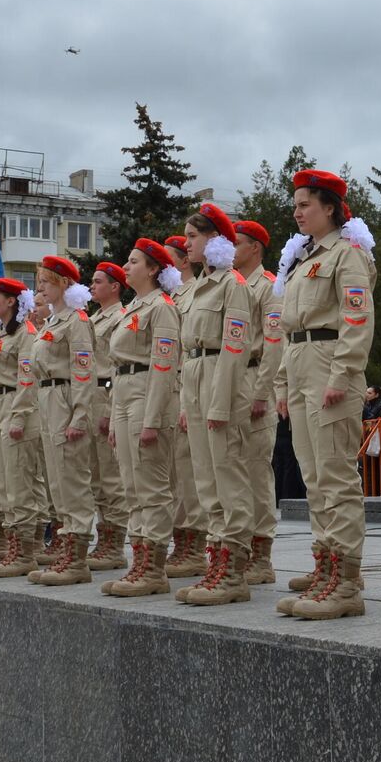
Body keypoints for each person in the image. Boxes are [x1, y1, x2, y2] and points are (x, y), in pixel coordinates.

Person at [273, 170, 377, 619]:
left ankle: (347, 582)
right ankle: (327, 567)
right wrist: (281, 381)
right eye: (295, 205)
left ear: (330, 207)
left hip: (329, 363)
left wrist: (342, 375)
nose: (297, 212)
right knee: (314, 478)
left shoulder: (347, 255)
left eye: (305, 204)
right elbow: (286, 329)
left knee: (335, 476)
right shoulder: (301, 259)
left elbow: (357, 318)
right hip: (299, 364)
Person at [174, 203, 264, 606]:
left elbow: (234, 345)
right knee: (205, 479)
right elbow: (185, 349)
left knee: (229, 476)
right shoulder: (194, 289)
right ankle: (216, 559)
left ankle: (233, 569)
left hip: (220, 380)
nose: (187, 244)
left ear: (215, 239)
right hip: (195, 377)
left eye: (193, 237)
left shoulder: (233, 285)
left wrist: (221, 400)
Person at [100, 238, 184, 597]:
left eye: (133, 262)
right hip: (124, 393)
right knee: (132, 485)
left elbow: (164, 365)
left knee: (152, 486)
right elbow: (118, 366)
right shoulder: (135, 307)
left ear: (153, 269)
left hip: (148, 394)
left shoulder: (161, 308)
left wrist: (151, 419)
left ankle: (154, 568)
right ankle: (139, 561)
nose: (127, 266)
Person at [22, 255, 99, 582]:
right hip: (48, 397)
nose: (39, 287)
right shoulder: (53, 322)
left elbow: (84, 371)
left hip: (66, 398)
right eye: (39, 281)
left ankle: (77, 558)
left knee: (72, 480)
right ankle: (66, 549)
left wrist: (80, 415)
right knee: (57, 480)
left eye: (45, 281)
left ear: (64, 283)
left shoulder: (77, 321)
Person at [0, 279, 51, 576]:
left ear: (11, 302)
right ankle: (17, 545)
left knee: (19, 480)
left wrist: (20, 416)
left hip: (16, 405)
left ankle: (24, 550)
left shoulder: (25, 335)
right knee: (3, 482)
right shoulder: (2, 336)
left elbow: (27, 378)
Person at [233, 219, 283, 584]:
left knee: (255, 470)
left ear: (254, 248)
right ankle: (238, 548)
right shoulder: (233, 286)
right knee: (234, 468)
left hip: (254, 376)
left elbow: (273, 342)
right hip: (232, 379)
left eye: (236, 243)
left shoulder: (266, 287)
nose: (229, 249)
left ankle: (261, 555)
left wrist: (262, 391)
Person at [161, 235, 208, 579]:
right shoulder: (171, 297)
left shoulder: (197, 290)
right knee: (176, 473)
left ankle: (194, 545)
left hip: (190, 384)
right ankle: (181, 541)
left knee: (190, 473)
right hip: (174, 385)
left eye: (166, 259)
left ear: (181, 261)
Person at [85, 262, 132, 570]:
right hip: (90, 395)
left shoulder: (120, 317)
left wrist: (107, 410)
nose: (91, 286)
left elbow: (113, 367)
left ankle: (114, 544)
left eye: (98, 281)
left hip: (106, 394)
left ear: (115, 286)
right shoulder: (93, 319)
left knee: (111, 477)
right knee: (96, 478)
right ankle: (103, 538)